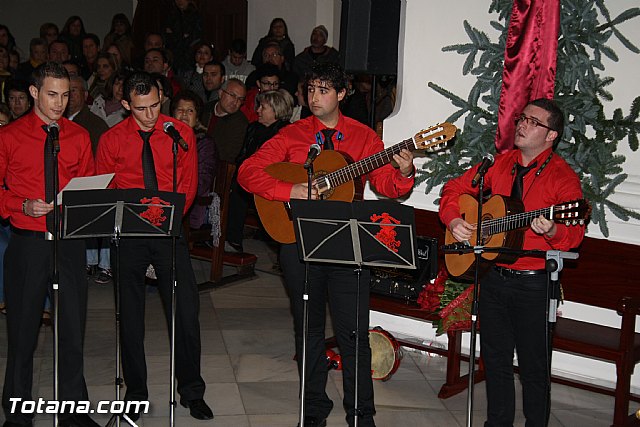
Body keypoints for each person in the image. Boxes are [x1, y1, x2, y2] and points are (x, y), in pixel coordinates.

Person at [237, 62, 415, 427]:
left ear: (342, 94)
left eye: (323, 90)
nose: (314, 97)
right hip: (298, 240)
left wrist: (405, 171)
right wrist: (292, 190)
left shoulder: (364, 137)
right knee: (309, 329)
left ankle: (361, 414)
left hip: (348, 244)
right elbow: (247, 172)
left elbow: (387, 185)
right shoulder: (292, 134)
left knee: (354, 333)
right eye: (311, 89)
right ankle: (314, 407)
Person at [439, 98, 585, 426]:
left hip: (533, 283)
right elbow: (454, 188)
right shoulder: (500, 163)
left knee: (534, 369)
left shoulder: (562, 178)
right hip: (493, 276)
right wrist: (453, 220)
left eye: (533, 122)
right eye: (522, 118)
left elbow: (574, 235)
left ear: (551, 135)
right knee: (495, 361)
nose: (522, 125)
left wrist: (553, 230)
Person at [95, 71, 212, 422]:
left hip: (169, 232)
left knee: (186, 313)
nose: (150, 115)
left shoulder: (179, 133)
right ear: (126, 104)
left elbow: (188, 184)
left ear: (162, 96)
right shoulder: (112, 139)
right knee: (130, 317)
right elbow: (106, 187)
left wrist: (168, 218)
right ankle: (136, 394)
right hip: (128, 235)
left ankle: (192, 390)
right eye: (141, 108)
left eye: (155, 105)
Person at [0, 61, 99, 427]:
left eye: (65, 95)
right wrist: (20, 204)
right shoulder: (9, 137)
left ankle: (75, 411)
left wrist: (79, 202)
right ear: (33, 93)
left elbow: (89, 185)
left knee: (72, 330)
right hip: (28, 243)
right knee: (22, 332)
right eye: (52, 95)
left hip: (69, 242)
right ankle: (16, 415)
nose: (59, 103)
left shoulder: (79, 136)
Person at [226, 89, 293, 252]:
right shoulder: (253, 128)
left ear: (276, 110)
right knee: (238, 187)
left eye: (263, 107)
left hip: (274, 181)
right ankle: (232, 240)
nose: (258, 111)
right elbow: (242, 156)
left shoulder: (287, 132)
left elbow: (284, 167)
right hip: (253, 178)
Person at [171, 90, 217, 230]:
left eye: (190, 110)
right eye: (180, 110)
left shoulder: (204, 143)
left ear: (197, 117)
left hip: (191, 203)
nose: (184, 114)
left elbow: (202, 181)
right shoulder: (163, 138)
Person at [206, 78, 248, 163]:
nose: (235, 102)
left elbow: (228, 156)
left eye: (240, 99)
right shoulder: (204, 109)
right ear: (221, 93)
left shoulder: (240, 123)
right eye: (232, 95)